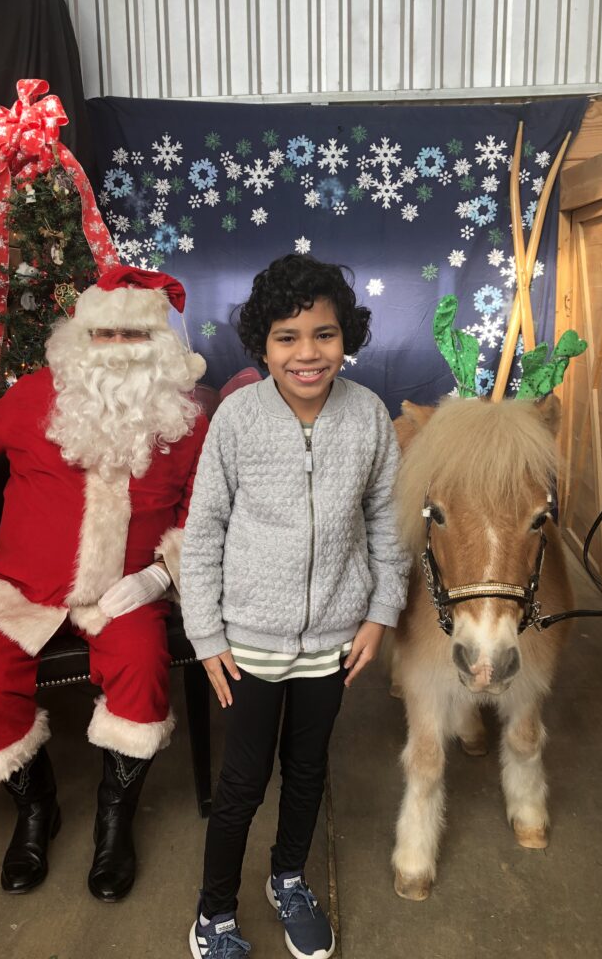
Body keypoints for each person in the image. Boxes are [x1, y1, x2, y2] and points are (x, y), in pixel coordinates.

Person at [0, 265, 208, 901]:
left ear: (160, 344)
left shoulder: (190, 422)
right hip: (20, 585)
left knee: (142, 667)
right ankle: (37, 805)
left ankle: (116, 815)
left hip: (124, 592)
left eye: (131, 337)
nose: (115, 349)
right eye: (102, 333)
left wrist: (162, 574)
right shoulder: (37, 396)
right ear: (80, 338)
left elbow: (205, 511)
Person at [180, 255, 410, 959]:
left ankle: (288, 877)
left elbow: (387, 524)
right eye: (287, 336)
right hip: (248, 639)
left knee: (309, 770)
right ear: (262, 344)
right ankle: (214, 914)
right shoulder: (237, 419)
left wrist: (380, 613)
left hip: (333, 639)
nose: (307, 353)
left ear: (347, 337)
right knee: (244, 781)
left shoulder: (369, 415)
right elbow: (204, 529)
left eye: (324, 333)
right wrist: (206, 633)